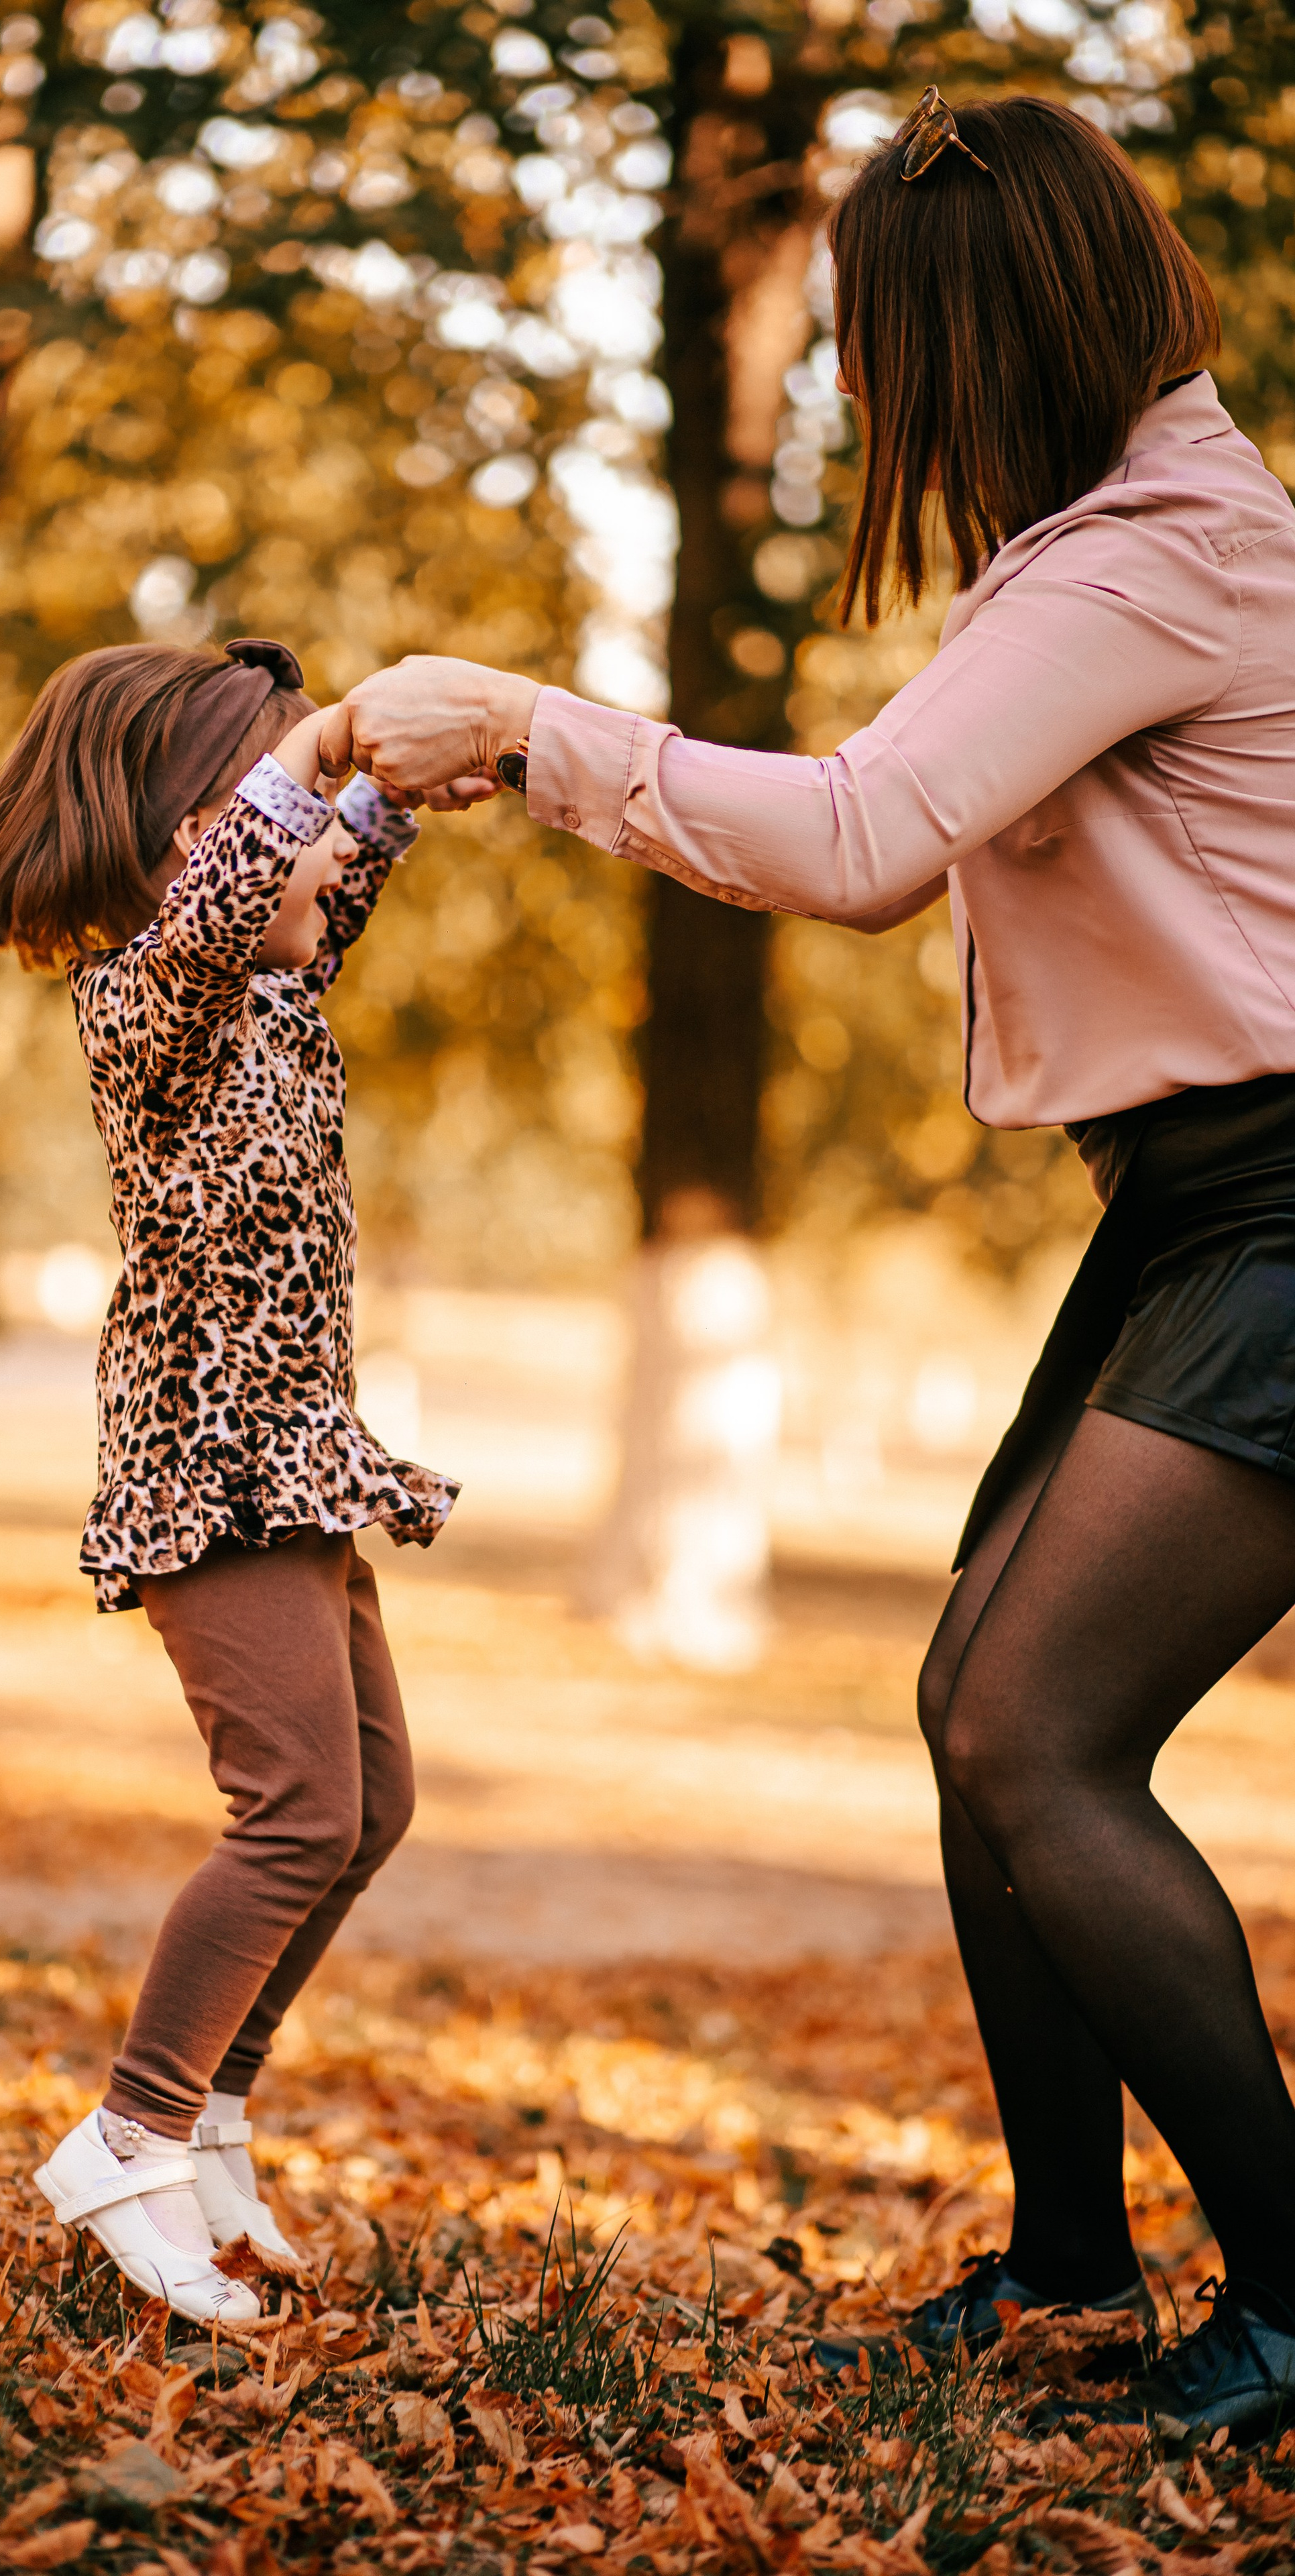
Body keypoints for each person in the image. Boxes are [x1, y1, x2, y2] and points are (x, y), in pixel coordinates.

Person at [327, 94, 1295, 2438]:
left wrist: (533, 724)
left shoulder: (1149, 559)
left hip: (1282, 1199)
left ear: (987, 332)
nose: (869, 398)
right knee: (983, 1710)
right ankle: (1074, 2272)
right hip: (1192, 1202)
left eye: (884, 348)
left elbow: (862, 838)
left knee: (1026, 1726)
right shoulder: (1106, 546)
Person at [0, 639, 492, 2323]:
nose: (331, 866)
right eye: (301, 827)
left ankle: (216, 2105)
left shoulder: (265, 982)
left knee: (370, 1808)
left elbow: (310, 880)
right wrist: (314, 760)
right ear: (196, 846)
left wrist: (397, 784)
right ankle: (130, 2130)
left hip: (293, 1456)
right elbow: (253, 871)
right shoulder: (147, 996)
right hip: (210, 1462)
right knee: (294, 1812)